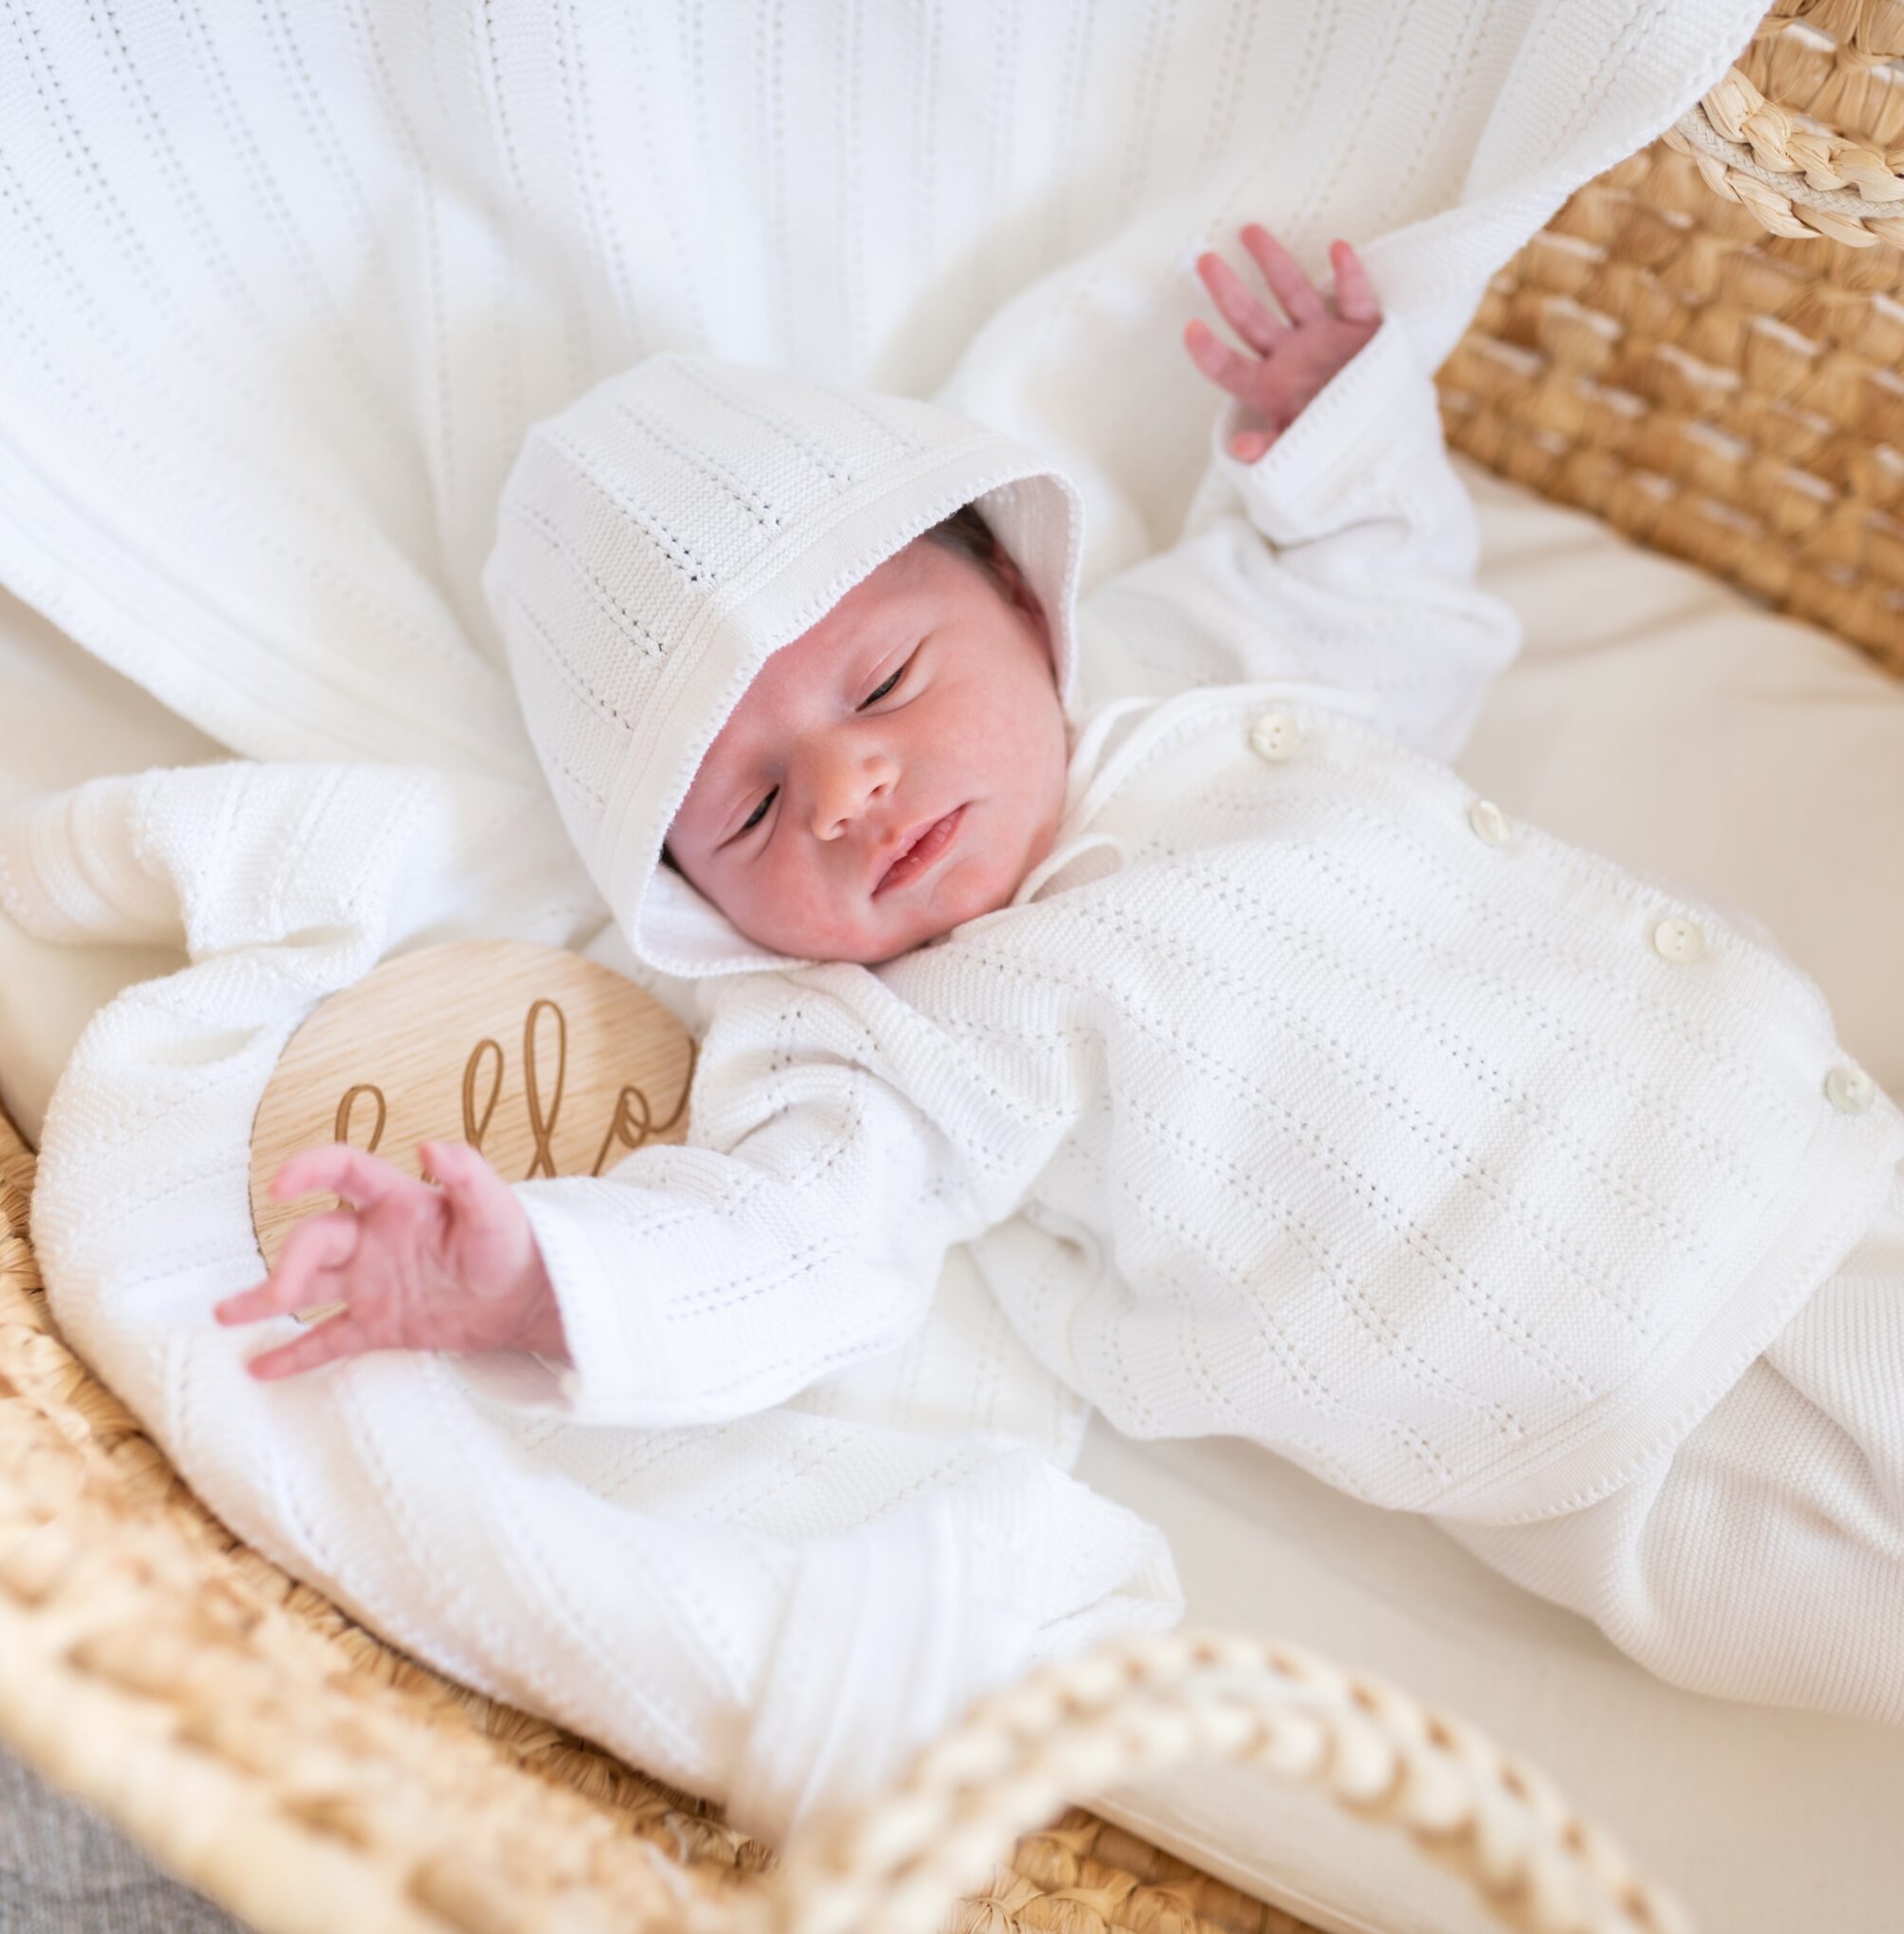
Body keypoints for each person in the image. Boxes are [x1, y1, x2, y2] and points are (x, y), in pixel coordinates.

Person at [213, 225, 1904, 1730]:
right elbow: (788, 1246)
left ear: (1022, 592)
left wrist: (1337, 431)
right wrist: (543, 1281)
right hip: (1612, 1431)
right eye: (746, 808)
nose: (847, 790)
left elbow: (1393, 599)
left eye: (883, 681)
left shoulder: (1194, 667)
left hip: (1798, 1146)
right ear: (697, 908)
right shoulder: (866, 1042)